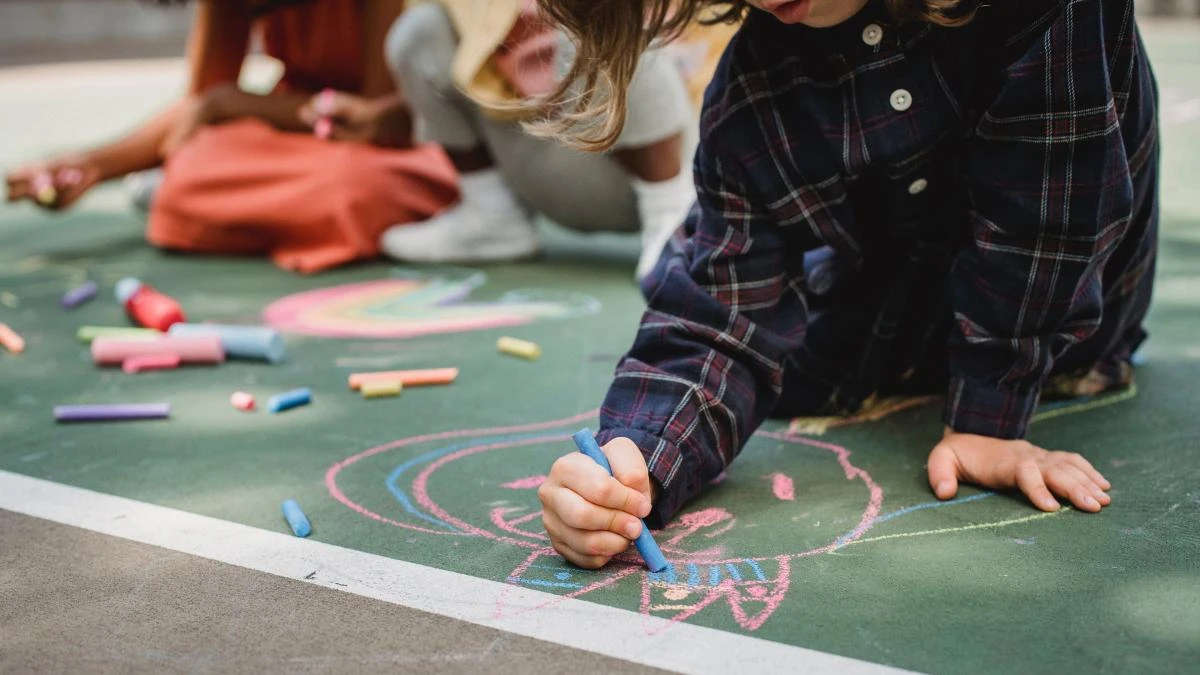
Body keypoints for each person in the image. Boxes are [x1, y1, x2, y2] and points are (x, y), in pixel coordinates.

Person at [533, 0, 1158, 568]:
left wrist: (988, 416)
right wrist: (634, 464)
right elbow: (722, 319)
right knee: (718, 287)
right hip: (883, 326)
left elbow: (1050, 217)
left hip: (1060, 331)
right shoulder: (756, 90)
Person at [4, 0, 458, 274]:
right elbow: (199, 110)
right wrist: (91, 165)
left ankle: (251, 215)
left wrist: (239, 104)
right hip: (303, 137)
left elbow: (378, 118)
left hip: (397, 142)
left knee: (350, 188)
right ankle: (276, 215)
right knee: (194, 166)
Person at [379, 0, 735, 279]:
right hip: (538, 147)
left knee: (596, 16)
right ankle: (492, 215)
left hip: (664, 156)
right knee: (420, 30)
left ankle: (675, 222)